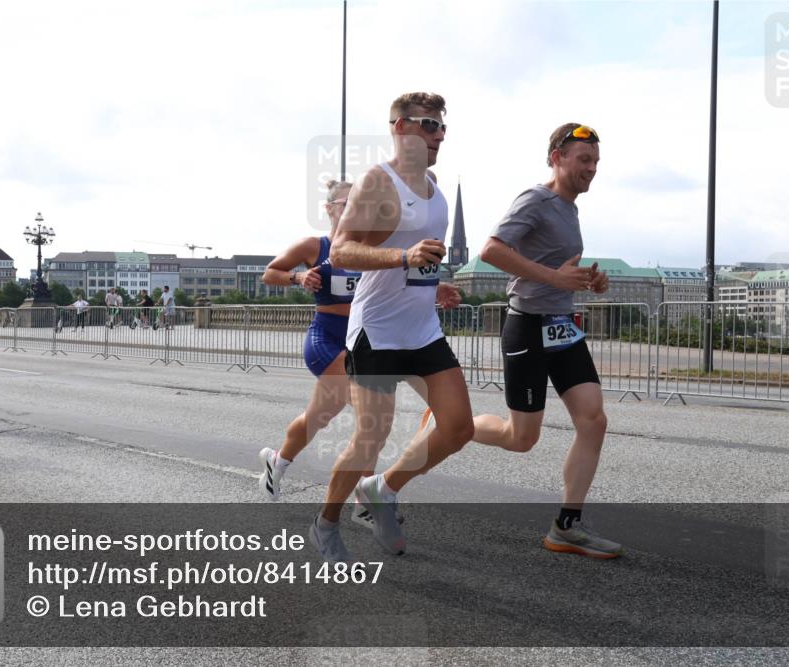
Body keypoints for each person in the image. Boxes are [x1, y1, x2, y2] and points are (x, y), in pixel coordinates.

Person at [309, 92, 473, 563]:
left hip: (421, 329)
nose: (438, 134)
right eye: (427, 125)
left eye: (442, 126)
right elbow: (341, 252)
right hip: (377, 330)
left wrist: (434, 283)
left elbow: (421, 256)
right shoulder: (377, 183)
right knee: (369, 439)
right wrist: (403, 257)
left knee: (458, 427)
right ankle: (325, 524)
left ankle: (382, 489)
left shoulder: (434, 185)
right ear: (400, 127)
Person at [460, 123, 621, 558]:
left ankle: (567, 526)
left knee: (594, 420)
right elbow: (491, 250)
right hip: (528, 326)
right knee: (521, 438)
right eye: (583, 160)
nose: (592, 169)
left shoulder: (570, 208)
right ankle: (452, 426)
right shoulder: (536, 199)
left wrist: (589, 283)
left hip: (563, 326)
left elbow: (556, 268)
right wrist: (553, 277)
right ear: (556, 157)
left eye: (596, 162)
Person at [260, 180, 383, 526]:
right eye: (345, 204)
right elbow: (270, 273)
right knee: (370, 415)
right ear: (329, 209)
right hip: (326, 338)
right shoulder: (316, 245)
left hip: (360, 341)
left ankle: (277, 460)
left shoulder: (370, 249)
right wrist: (299, 278)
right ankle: (364, 500)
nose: (353, 210)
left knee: (316, 418)